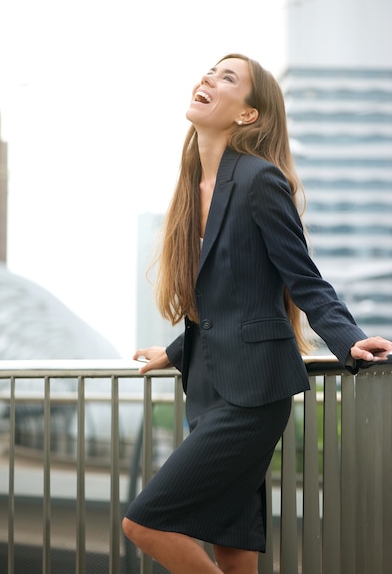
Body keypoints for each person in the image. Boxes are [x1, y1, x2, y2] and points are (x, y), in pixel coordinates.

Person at [122, 53, 392, 574]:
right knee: (234, 548)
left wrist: (349, 339)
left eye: (228, 78)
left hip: (252, 394)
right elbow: (227, 297)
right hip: (208, 387)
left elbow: (302, 278)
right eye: (210, 70)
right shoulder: (191, 190)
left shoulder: (259, 180)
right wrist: (176, 351)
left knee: (145, 523)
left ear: (248, 114)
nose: (208, 78)